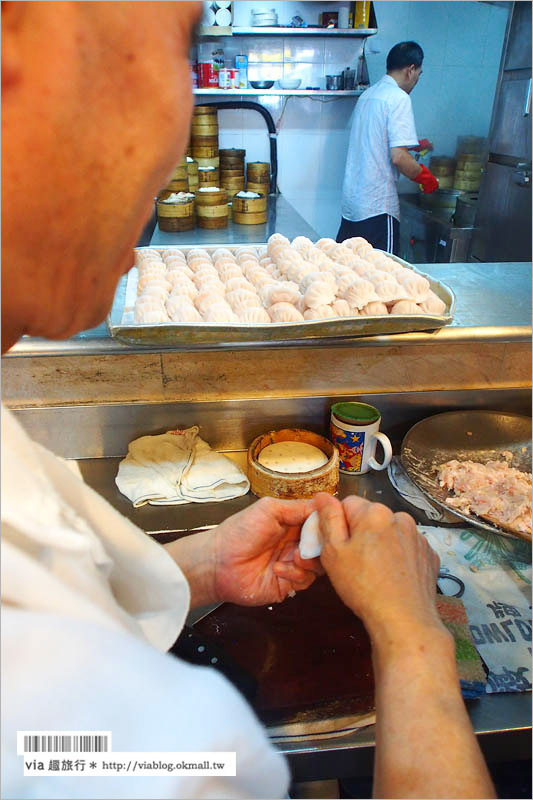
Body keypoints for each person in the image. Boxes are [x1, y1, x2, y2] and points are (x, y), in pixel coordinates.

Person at [1, 4, 495, 798]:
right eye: (182, 43)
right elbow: (77, 751)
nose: (179, 119)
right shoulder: (80, 728)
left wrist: (193, 570)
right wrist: (413, 640)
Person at [337, 41, 439, 254]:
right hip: (377, 209)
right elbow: (398, 158)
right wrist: (426, 179)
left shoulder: (368, 95)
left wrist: (413, 146)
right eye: (419, 74)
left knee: (346, 270)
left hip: (352, 206)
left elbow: (372, 140)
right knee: (383, 276)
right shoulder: (398, 98)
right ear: (410, 70)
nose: (417, 79)